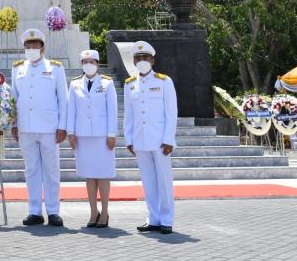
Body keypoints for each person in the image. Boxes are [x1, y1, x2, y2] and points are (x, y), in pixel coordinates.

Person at [10, 28, 68, 227]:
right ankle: (34, 211)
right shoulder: (18, 68)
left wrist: (62, 126)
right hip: (26, 127)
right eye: (28, 46)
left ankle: (53, 211)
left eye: (35, 46)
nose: (31, 49)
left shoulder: (55, 68)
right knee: (31, 170)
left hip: (49, 127)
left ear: (43, 48)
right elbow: (14, 98)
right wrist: (14, 123)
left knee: (51, 171)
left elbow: (63, 99)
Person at [123, 40, 178, 235]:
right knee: (148, 182)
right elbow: (129, 115)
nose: (142, 61)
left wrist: (169, 139)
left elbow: (171, 113)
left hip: (160, 141)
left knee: (164, 182)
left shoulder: (164, 81)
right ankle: (153, 218)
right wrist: (129, 139)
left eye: (145, 57)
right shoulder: (130, 85)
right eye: (138, 58)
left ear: (153, 60)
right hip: (140, 140)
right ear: (133, 62)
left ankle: (167, 220)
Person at [66, 49, 117, 228]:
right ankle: (93, 212)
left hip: (102, 136)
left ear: (97, 63)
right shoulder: (74, 84)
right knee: (89, 176)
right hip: (83, 136)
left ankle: (105, 212)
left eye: (92, 61)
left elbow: (112, 110)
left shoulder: (107, 83)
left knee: (103, 175)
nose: (88, 65)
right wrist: (70, 132)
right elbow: (71, 110)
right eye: (85, 62)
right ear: (81, 64)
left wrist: (112, 134)